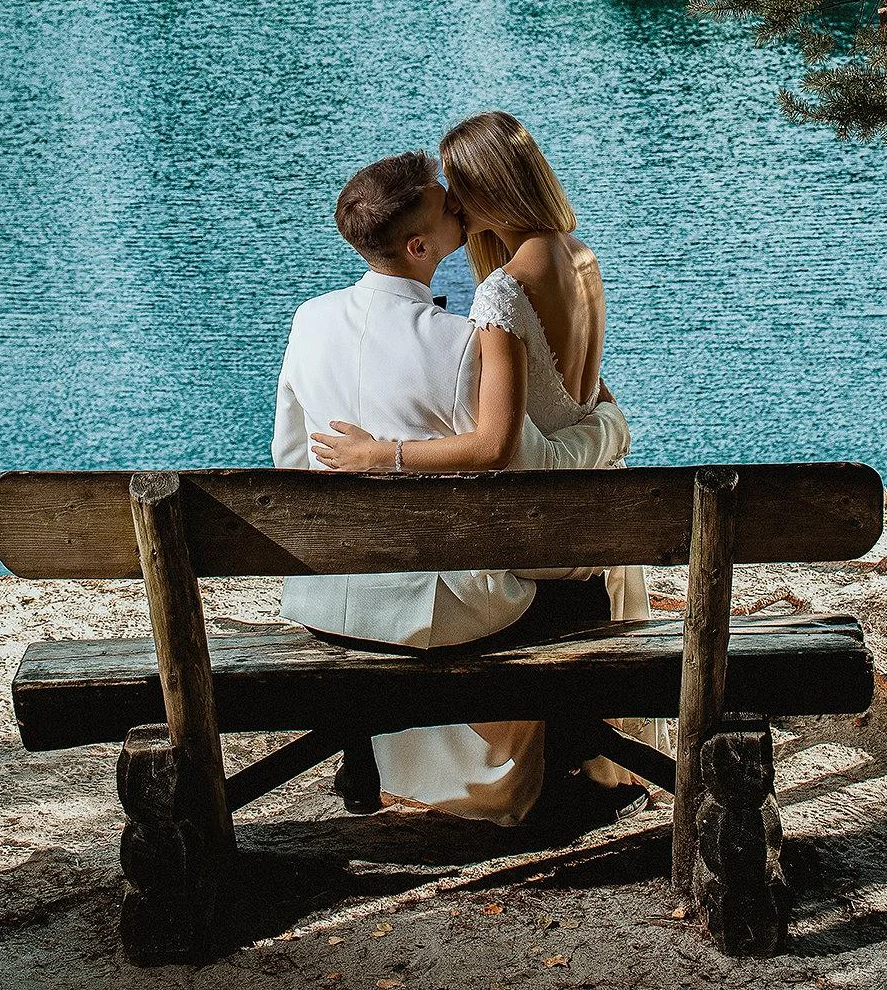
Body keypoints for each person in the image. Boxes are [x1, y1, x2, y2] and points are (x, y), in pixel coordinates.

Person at [271, 148, 634, 826]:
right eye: (447, 208)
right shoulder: (466, 344)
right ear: (418, 246)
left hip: (324, 598)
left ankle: (365, 754)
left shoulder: (308, 320)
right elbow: (518, 462)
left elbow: (291, 461)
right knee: (578, 589)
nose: (460, 206)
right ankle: (574, 762)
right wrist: (610, 425)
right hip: (431, 611)